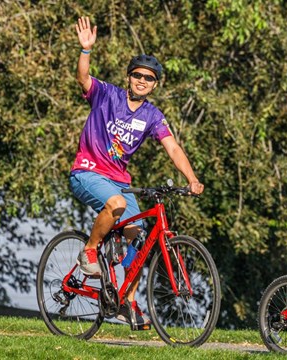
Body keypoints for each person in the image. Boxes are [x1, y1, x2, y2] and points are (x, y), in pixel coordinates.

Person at [70, 16, 204, 329]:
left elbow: (173, 148)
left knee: (140, 242)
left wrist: (192, 179)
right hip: (87, 173)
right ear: (129, 77)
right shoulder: (107, 95)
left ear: (155, 84)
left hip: (119, 181)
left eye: (149, 78)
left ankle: (124, 301)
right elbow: (82, 79)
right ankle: (89, 251)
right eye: (137, 75)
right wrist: (85, 51)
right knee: (115, 205)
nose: (142, 80)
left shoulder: (153, 116)